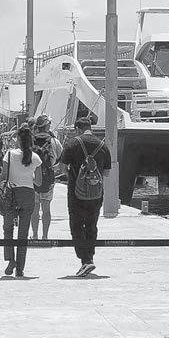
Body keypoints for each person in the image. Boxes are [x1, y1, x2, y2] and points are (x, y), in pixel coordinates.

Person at [59, 117, 111, 277]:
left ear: (77, 129)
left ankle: (85, 260)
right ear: (90, 128)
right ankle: (90, 258)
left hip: (76, 192)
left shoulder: (72, 144)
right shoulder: (102, 145)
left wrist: (74, 177)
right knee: (91, 225)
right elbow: (107, 173)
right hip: (96, 193)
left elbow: (62, 167)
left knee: (76, 225)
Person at [0, 125, 41, 277]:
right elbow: (39, 182)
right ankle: (20, 268)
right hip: (28, 194)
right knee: (23, 232)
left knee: (8, 228)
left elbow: (4, 176)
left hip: (11, 194)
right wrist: (28, 175)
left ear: (17, 139)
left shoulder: (9, 154)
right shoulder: (35, 157)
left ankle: (11, 260)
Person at [30, 114, 63, 239]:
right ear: (47, 126)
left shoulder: (31, 140)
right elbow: (61, 158)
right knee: (46, 209)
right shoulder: (54, 141)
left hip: (33, 179)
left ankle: (34, 235)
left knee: (34, 209)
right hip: (48, 178)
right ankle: (45, 236)